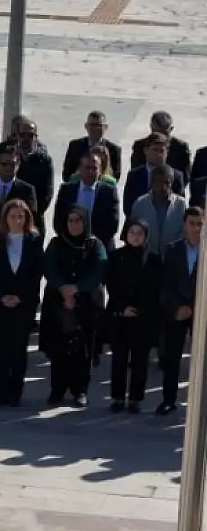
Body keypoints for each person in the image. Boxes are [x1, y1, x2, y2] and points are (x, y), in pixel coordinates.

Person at [42, 205, 107, 408]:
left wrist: (76, 288)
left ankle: (80, 390)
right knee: (58, 349)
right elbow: (49, 268)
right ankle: (57, 390)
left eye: (78, 221)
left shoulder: (95, 245)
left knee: (82, 350)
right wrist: (63, 288)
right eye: (70, 221)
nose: (74, 225)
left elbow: (99, 270)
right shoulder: (56, 243)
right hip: (58, 302)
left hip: (86, 305)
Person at [0, 199, 46, 407]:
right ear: (5, 218)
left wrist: (20, 296)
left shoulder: (34, 240)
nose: (17, 220)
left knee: (19, 349)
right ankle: (1, 392)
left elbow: (35, 273)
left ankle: (15, 393)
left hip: (24, 302)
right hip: (1, 302)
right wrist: (2, 296)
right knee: (2, 348)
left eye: (21, 216)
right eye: (13, 216)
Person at [105, 219, 163, 413]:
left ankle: (135, 399)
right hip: (120, 316)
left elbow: (155, 290)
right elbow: (112, 286)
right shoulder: (116, 257)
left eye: (140, 233)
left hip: (143, 318)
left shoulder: (153, 259)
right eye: (132, 232)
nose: (136, 236)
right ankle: (118, 397)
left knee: (140, 361)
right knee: (119, 359)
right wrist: (123, 309)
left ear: (145, 236)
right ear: (125, 234)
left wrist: (140, 310)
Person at [158, 208, 203, 415]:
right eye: (191, 223)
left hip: (201, 313)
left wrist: (193, 308)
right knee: (171, 358)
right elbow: (166, 283)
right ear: (184, 225)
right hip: (176, 312)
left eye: (199, 224)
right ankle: (168, 399)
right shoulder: (173, 249)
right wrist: (177, 308)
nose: (195, 228)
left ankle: (199, 403)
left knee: (200, 359)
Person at [55, 153, 120, 247]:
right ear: (80, 169)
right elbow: (58, 221)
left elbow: (112, 225)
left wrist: (91, 242)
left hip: (100, 245)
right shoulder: (66, 190)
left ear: (100, 171)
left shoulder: (109, 192)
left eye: (94, 168)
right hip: (70, 245)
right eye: (87, 168)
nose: (90, 172)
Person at [131, 166, 188, 252]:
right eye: (159, 182)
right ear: (152, 183)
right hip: (146, 259)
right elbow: (133, 232)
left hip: (172, 259)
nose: (163, 187)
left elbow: (184, 233)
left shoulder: (181, 205)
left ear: (171, 183)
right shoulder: (140, 204)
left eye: (167, 183)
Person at [64, 110, 121, 183]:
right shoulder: (75, 146)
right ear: (86, 126)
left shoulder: (114, 150)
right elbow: (66, 175)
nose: (95, 129)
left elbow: (116, 178)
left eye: (99, 125)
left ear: (106, 127)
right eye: (92, 125)